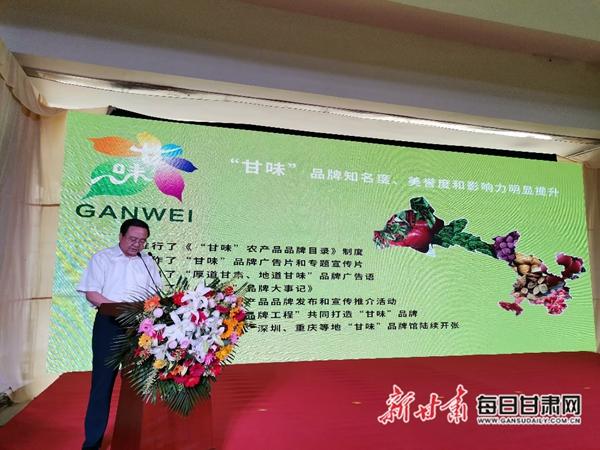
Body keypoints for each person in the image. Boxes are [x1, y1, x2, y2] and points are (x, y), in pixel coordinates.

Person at [77, 218, 161, 450]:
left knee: (137, 386)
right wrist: (121, 310)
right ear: (121, 236)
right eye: (133, 239)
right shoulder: (103, 258)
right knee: (102, 385)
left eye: (142, 241)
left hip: (141, 328)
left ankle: (132, 440)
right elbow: (92, 294)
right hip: (110, 325)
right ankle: (92, 443)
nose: (137, 245)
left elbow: (156, 294)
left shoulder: (148, 262)